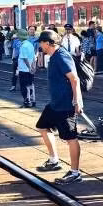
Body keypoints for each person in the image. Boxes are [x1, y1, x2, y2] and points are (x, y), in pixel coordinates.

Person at [34, 30, 84, 185]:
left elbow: (74, 79)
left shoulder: (61, 56)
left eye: (41, 42)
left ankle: (75, 173)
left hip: (65, 105)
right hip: (55, 104)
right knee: (42, 127)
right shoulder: (54, 56)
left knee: (71, 138)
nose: (40, 45)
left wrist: (77, 100)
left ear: (48, 43)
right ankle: (54, 159)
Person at [18, 30, 36, 108]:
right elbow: (34, 57)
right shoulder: (30, 44)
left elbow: (24, 58)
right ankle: (33, 100)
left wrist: (29, 67)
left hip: (24, 69)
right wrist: (33, 67)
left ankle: (27, 101)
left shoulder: (23, 46)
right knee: (30, 84)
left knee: (24, 85)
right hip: (30, 68)